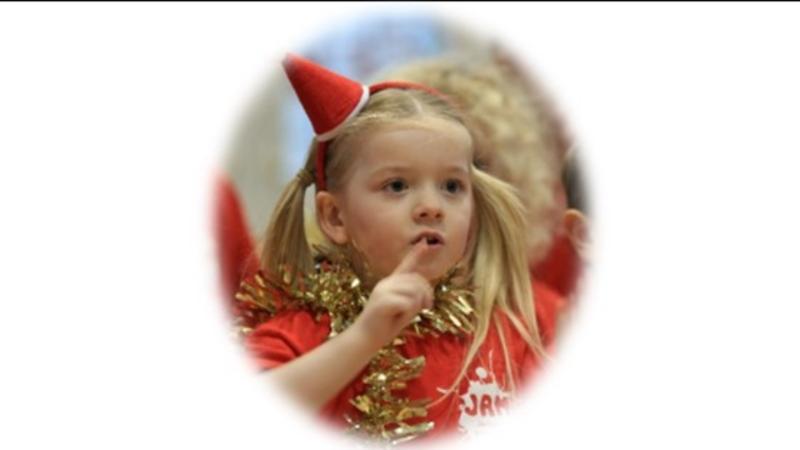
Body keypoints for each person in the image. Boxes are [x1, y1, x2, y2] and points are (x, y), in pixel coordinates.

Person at [235, 54, 548, 444]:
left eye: (452, 186)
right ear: (335, 217)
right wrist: (364, 337)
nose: (432, 207)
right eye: (397, 186)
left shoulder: (505, 331)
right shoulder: (302, 331)